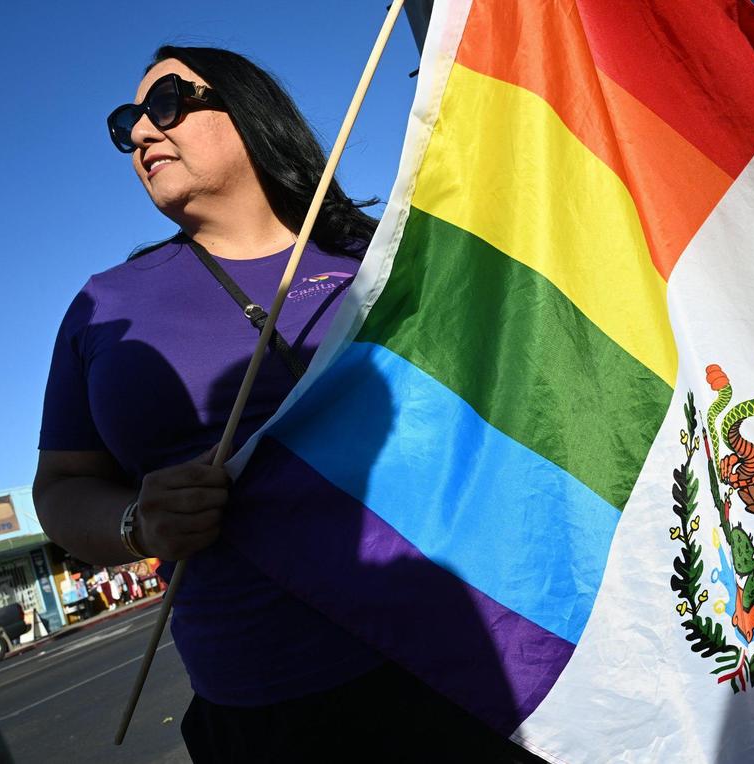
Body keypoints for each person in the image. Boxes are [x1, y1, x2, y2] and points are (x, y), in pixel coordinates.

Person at [34, 46, 537, 762]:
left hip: (464, 664)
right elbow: (59, 488)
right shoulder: (105, 306)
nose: (141, 132)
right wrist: (137, 523)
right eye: (127, 123)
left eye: (166, 103)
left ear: (247, 109)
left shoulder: (385, 256)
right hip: (260, 709)